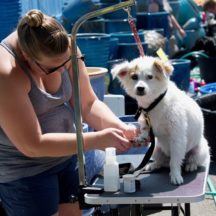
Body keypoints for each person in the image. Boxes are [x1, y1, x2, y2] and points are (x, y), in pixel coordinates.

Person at [0, 10, 137, 216]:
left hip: (66, 160)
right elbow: (32, 145)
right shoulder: (6, 73)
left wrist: (121, 128)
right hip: (24, 173)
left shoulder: (63, 46)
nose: (63, 71)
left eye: (66, 64)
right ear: (27, 58)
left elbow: (88, 103)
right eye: (53, 69)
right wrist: (98, 139)